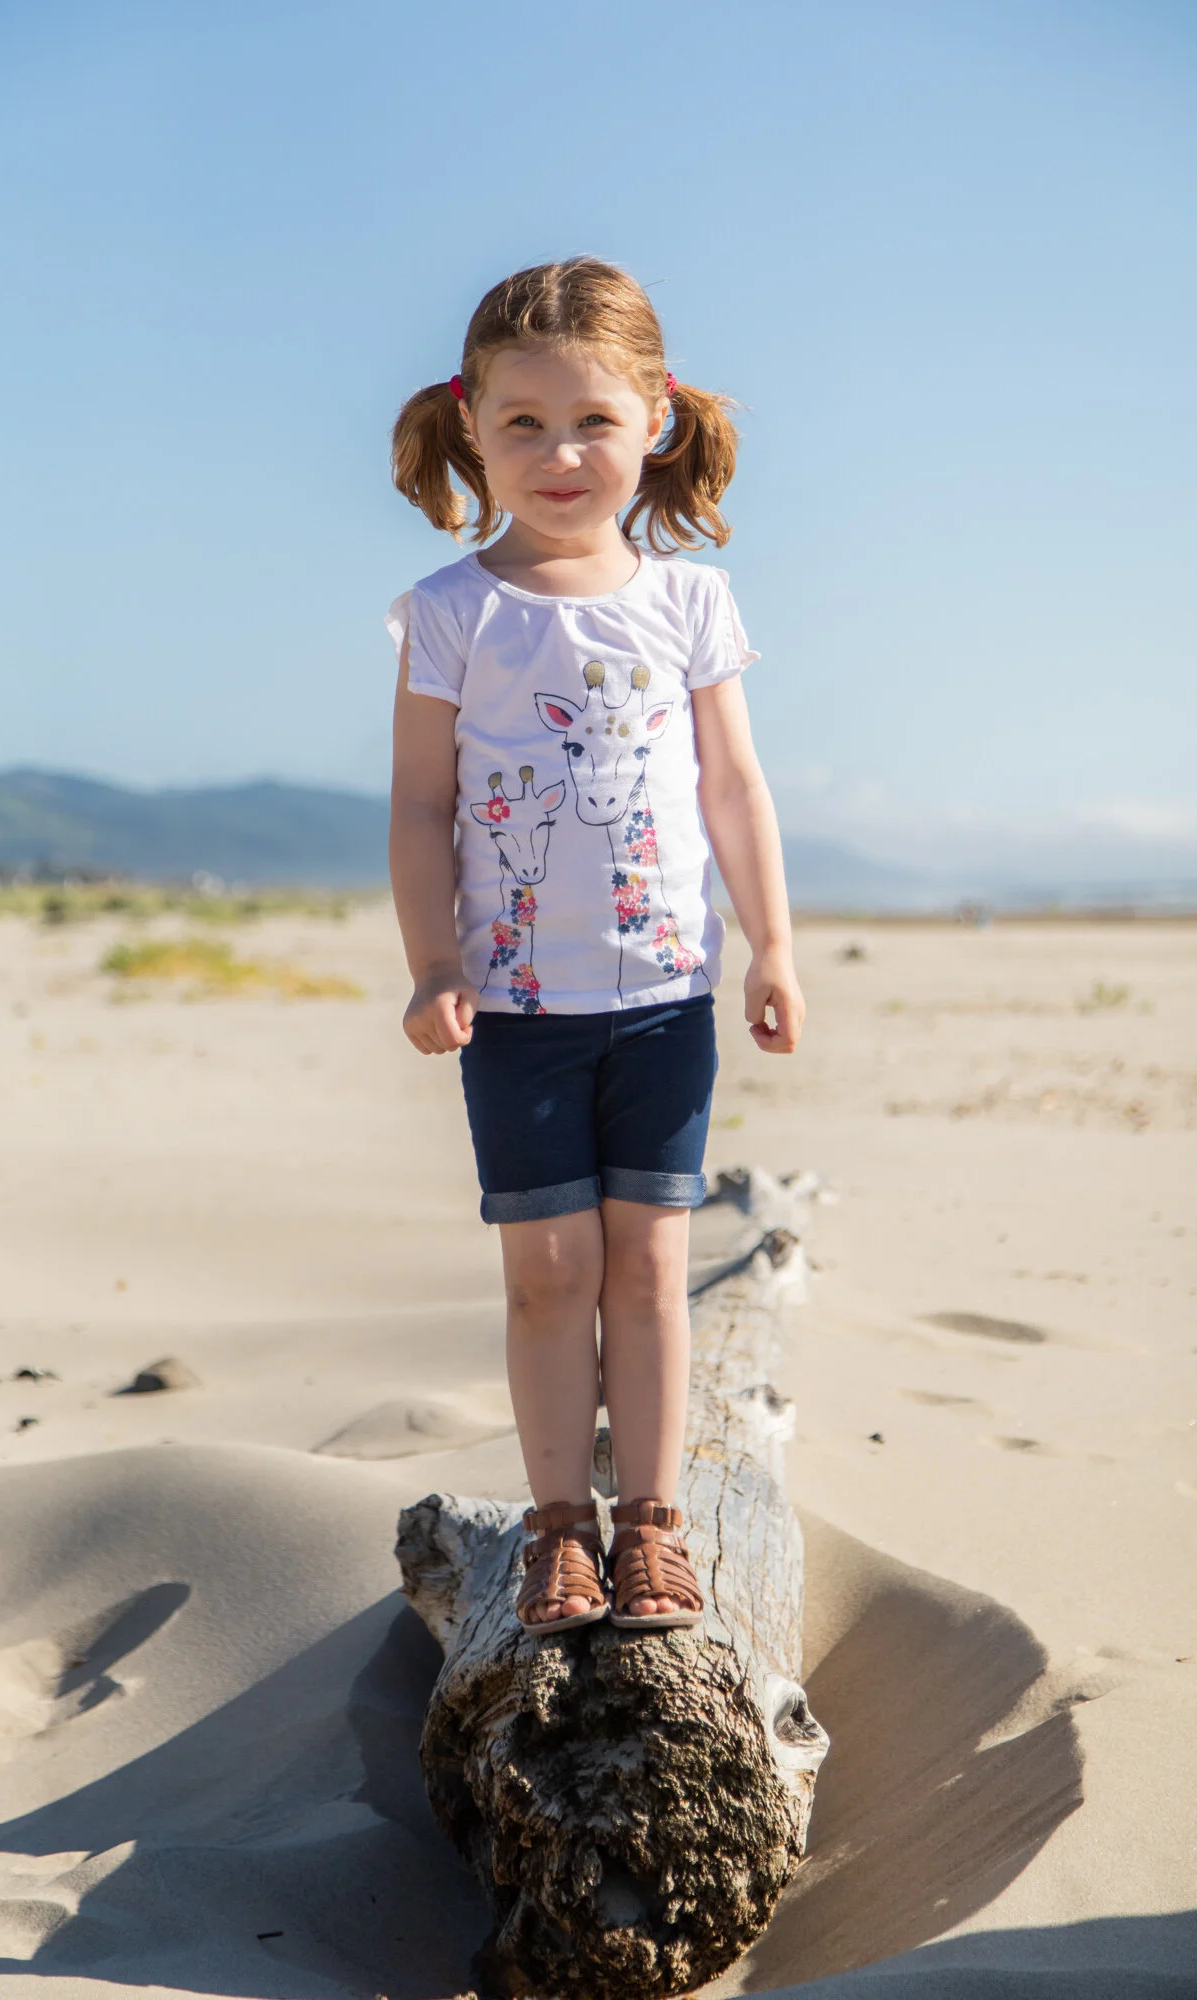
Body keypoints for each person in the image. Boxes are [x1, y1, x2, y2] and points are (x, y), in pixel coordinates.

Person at [386, 258, 803, 1635]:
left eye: (593, 423)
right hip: (515, 1010)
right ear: (471, 426)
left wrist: (771, 949)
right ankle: (557, 1526)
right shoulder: (454, 611)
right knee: (549, 1273)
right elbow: (424, 803)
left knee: (649, 1268)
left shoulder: (690, 606)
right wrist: (434, 964)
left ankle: (656, 1524)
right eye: (523, 425)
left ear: (655, 421)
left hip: (665, 999)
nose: (560, 456)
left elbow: (736, 790)